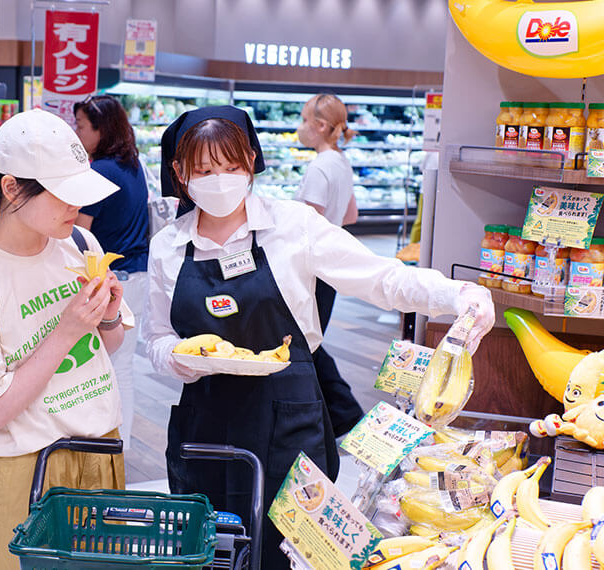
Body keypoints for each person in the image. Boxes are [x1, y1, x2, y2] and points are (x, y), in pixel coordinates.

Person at [143, 105, 495, 569]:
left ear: (251, 160)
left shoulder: (293, 227)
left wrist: (456, 293)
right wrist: (179, 359)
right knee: (211, 549)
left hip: (287, 416)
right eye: (204, 170)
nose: (219, 180)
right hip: (205, 418)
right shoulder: (167, 247)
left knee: (289, 552)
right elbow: (155, 336)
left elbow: (381, 279)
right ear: (180, 172)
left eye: (230, 167)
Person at [0, 109, 133, 570]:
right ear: (11, 188)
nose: (75, 206)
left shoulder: (81, 244)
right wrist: (67, 329)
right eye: (63, 194)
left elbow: (109, 347)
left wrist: (105, 319)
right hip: (26, 464)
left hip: (100, 447)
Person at [73, 95, 150, 450]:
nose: (77, 132)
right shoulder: (133, 165)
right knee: (124, 368)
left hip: (109, 281)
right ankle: (122, 448)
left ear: (101, 129)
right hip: (136, 275)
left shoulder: (99, 172)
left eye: (81, 126)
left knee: (105, 367)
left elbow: (79, 233)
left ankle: (107, 447)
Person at [294, 93, 363, 436]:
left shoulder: (319, 167)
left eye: (304, 120)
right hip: (329, 268)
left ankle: (344, 412)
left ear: (320, 127)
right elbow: (351, 214)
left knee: (304, 343)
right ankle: (337, 414)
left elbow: (305, 227)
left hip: (309, 270)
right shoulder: (340, 161)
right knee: (310, 341)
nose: (300, 127)